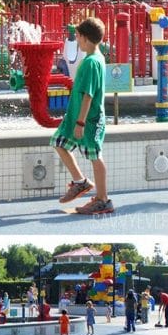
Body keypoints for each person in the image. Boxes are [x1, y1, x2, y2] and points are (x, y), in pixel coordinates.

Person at [50, 17, 112, 215]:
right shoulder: (94, 59)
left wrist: (80, 122)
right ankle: (80, 182)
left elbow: (89, 95)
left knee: (94, 155)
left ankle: (103, 199)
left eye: (77, 36)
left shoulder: (92, 63)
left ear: (85, 38)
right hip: (76, 115)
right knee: (59, 142)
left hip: (87, 119)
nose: (76, 40)